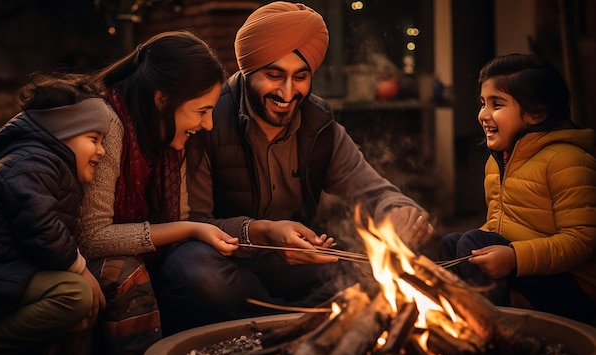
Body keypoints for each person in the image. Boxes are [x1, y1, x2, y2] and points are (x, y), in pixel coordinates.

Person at [155, 1, 435, 335]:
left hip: (296, 267)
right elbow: (194, 222)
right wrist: (261, 232)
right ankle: (300, 318)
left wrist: (401, 212)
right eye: (274, 75)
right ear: (248, 70)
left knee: (377, 269)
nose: (288, 93)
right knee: (195, 270)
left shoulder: (319, 125)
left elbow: (375, 191)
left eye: (300, 77)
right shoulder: (209, 118)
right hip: (228, 264)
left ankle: (283, 320)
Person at [76, 30, 232, 355]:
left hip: (139, 261)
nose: (207, 125)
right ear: (162, 99)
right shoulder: (109, 124)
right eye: (201, 111)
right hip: (72, 260)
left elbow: (183, 216)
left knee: (198, 268)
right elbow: (92, 237)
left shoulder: (169, 138)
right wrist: (190, 229)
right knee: (127, 269)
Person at [439, 53, 596, 323]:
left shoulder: (567, 160)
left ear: (536, 113)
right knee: (453, 244)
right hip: (526, 274)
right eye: (482, 103)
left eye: (497, 105)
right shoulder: (497, 162)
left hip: (575, 293)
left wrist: (515, 257)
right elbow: (497, 226)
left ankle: (497, 328)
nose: (483, 115)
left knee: (472, 243)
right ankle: (466, 323)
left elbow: (582, 242)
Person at [0, 72, 108, 355]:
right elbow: (39, 224)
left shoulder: (47, 164)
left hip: (5, 272)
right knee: (75, 294)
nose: (102, 150)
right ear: (62, 132)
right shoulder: (32, 161)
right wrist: (80, 268)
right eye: (93, 138)